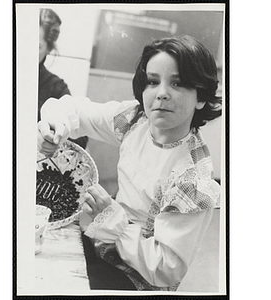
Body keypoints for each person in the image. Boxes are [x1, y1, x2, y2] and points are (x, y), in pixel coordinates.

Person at [37, 35, 222, 291]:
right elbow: (77, 111)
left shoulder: (193, 180)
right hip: (102, 242)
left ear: (201, 96)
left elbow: (166, 268)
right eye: (152, 82)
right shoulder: (136, 119)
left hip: (136, 279)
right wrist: (55, 127)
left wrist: (111, 219)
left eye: (178, 83)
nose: (161, 94)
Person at [38, 8, 87, 149]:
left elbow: (82, 138)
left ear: (49, 49)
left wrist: (54, 135)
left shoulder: (56, 86)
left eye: (37, 46)